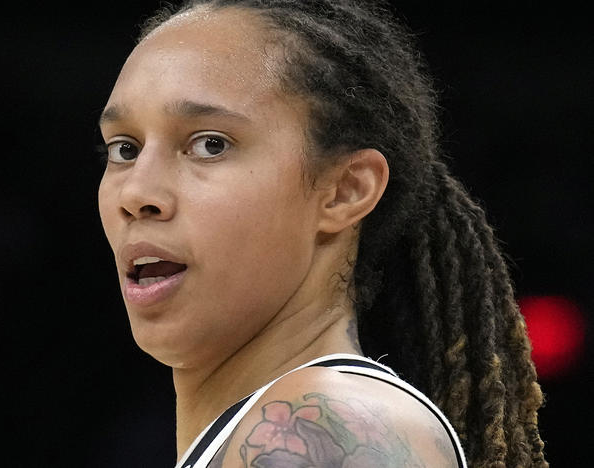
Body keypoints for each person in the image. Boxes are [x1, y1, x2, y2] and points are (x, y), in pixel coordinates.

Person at [96, 0, 549, 466]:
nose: (136, 192)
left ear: (344, 191)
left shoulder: (327, 428)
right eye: (124, 148)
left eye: (210, 144)